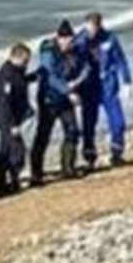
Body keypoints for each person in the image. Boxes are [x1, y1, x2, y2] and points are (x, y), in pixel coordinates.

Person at [78, 11, 133, 169]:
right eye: (90, 27)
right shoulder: (79, 41)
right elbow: (72, 65)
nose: (93, 31)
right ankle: (89, 157)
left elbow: (120, 60)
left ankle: (117, 153)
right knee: (89, 124)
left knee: (118, 122)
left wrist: (127, 81)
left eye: (95, 27)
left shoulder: (110, 38)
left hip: (108, 87)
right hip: (89, 88)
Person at [30, 21, 84, 184]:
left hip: (66, 97)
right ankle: (36, 173)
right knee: (43, 136)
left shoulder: (74, 50)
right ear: (59, 38)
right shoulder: (48, 51)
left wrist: (78, 81)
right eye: (65, 39)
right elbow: (50, 76)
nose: (68, 43)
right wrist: (68, 91)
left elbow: (84, 66)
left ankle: (68, 168)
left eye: (70, 39)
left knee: (72, 131)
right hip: (49, 99)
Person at [0, 41, 35, 196]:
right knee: (12, 150)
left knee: (10, 149)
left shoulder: (18, 71)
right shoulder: (7, 75)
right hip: (6, 119)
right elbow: (5, 103)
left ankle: (9, 181)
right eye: (25, 61)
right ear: (14, 57)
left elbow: (21, 83)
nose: (26, 64)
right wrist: (12, 125)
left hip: (15, 117)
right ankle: (6, 183)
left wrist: (33, 77)